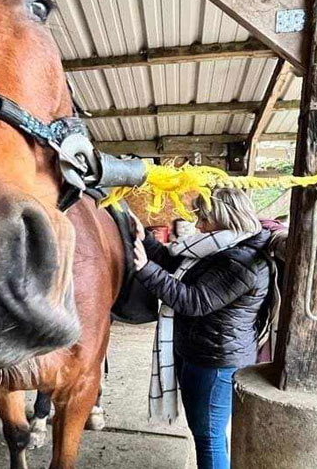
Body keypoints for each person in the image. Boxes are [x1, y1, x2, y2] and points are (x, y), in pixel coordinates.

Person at [130, 188, 272, 469]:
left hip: (215, 362)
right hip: (200, 351)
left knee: (208, 437)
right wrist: (143, 236)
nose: (199, 226)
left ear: (224, 219)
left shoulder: (241, 262)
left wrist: (145, 269)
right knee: (211, 435)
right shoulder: (221, 247)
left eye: (205, 219)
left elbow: (194, 301)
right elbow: (175, 262)